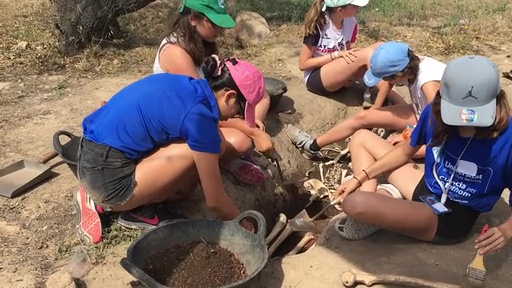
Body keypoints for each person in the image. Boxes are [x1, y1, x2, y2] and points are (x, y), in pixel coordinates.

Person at [74, 55, 269, 244]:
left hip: (94, 152)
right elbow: (215, 201)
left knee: (213, 146)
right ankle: (128, 207)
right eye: (240, 110)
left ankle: (138, 197)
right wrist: (245, 227)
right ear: (229, 96)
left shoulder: (186, 86)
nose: (236, 117)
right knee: (198, 152)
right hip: (107, 179)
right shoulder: (198, 118)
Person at [333, 55, 512, 252]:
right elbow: (404, 151)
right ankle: (376, 206)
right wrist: (360, 178)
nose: (463, 123)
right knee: (361, 138)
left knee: (354, 204)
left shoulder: (508, 138)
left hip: (451, 216)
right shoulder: (435, 112)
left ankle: (379, 207)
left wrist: (507, 230)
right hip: (428, 186)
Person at [153, 0, 272, 185]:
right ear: (192, 19)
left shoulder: (200, 43)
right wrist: (253, 132)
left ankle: (231, 149)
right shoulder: (176, 53)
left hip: (203, 109)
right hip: (186, 118)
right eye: (214, 23)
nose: (220, 30)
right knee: (241, 142)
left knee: (262, 97)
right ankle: (225, 160)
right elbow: (204, 108)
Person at [288, 41, 446, 159]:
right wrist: (377, 112)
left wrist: (408, 136)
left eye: (384, 78)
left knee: (389, 148)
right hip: (422, 114)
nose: (383, 82)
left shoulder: (428, 82)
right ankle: (312, 146)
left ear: (398, 74)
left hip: (443, 137)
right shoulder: (408, 63)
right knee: (364, 117)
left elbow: (440, 122)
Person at [300, 0, 397, 108]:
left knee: (380, 46)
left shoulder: (351, 22)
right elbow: (303, 64)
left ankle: (385, 94)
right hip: (317, 77)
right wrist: (335, 55)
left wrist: (355, 53)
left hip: (339, 72)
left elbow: (347, 48)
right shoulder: (319, 24)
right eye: (354, 6)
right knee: (367, 54)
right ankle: (385, 103)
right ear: (340, 10)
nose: (358, 8)